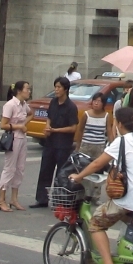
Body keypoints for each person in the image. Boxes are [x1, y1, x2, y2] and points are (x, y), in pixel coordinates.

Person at [69, 107, 133, 264]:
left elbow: (97, 163)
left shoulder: (122, 141)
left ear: (119, 124)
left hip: (132, 197)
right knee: (126, 218)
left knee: (96, 223)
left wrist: (79, 176)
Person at [30, 77, 78, 208]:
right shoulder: (53, 103)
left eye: (59, 87)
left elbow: (73, 127)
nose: (56, 90)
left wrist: (56, 130)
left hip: (63, 144)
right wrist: (47, 127)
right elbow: (49, 117)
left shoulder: (71, 107)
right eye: (55, 87)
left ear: (65, 89)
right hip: (50, 142)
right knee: (45, 170)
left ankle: (59, 200)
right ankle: (41, 199)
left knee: (61, 173)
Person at [0, 80, 33, 212]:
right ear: (19, 91)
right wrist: (19, 126)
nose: (29, 91)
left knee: (20, 168)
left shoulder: (24, 105)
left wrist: (24, 124)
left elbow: (31, 113)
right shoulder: (10, 105)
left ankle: (14, 198)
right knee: (9, 168)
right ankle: (1, 200)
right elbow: (3, 124)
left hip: (22, 138)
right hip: (13, 138)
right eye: (27, 89)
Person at [76, 92, 114, 160]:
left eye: (99, 101)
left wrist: (112, 145)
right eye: (94, 101)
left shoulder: (106, 116)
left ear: (103, 104)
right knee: (84, 165)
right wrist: (78, 145)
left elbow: (109, 132)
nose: (96, 103)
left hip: (100, 146)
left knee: (98, 167)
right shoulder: (86, 114)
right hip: (86, 145)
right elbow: (80, 130)